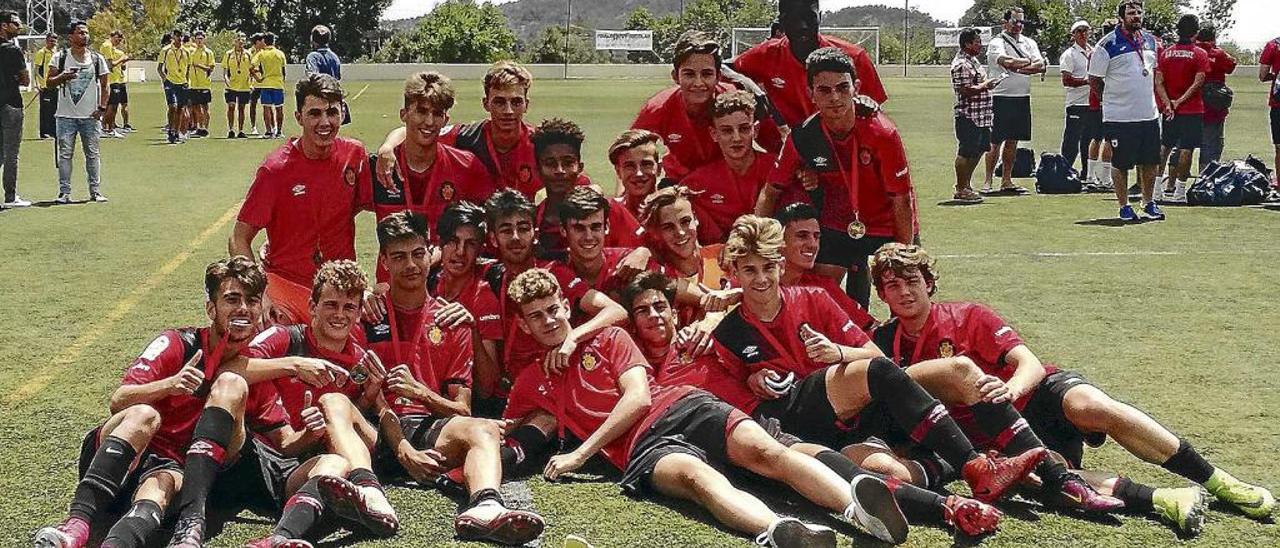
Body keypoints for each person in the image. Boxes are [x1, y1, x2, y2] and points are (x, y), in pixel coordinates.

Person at [867, 242, 1276, 532]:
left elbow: (1027, 362)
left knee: (1089, 406)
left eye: (911, 281)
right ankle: (1164, 498)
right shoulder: (884, 345)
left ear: (928, 283)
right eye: (892, 285)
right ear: (882, 294)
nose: (903, 291)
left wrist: (1009, 391)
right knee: (1039, 480)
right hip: (1001, 438)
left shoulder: (968, 315)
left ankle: (1217, 480)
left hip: (1037, 400)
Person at [502, 267, 914, 546]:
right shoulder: (529, 380)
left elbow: (638, 398)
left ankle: (857, 507)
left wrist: (579, 454)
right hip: (642, 450)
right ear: (522, 324)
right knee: (699, 482)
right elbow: (503, 425)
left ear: (565, 305)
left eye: (554, 309)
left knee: (768, 452)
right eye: (536, 316)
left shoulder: (609, 339)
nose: (550, 321)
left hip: (682, 406)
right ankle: (781, 532)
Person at [620, 270, 1004, 538]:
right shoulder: (640, 371)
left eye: (660, 307)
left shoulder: (705, 338)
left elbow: (738, 316)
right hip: (736, 442)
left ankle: (964, 479)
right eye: (643, 311)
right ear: (633, 325)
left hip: (767, 419)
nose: (654, 316)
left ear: (675, 311)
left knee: (840, 455)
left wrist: (729, 347)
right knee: (837, 466)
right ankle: (947, 505)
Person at [705, 216, 1049, 507]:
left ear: (781, 265)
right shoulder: (728, 331)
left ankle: (978, 468)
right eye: (749, 270)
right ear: (734, 271)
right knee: (881, 379)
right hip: (793, 420)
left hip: (848, 417)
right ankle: (976, 465)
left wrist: (839, 352)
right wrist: (753, 382)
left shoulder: (815, 298)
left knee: (888, 470)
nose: (761, 279)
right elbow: (737, 403)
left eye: (768, 267)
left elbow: (875, 356)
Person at [33, 257, 291, 548]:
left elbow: (281, 440)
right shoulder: (177, 343)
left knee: (162, 487)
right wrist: (171, 384)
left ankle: (121, 541)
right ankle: (75, 525)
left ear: (260, 310)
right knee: (145, 415)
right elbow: (119, 400)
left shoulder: (252, 372)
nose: (243, 308)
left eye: (252, 301)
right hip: (126, 449)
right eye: (232, 299)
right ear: (211, 309)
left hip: (174, 466)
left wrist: (316, 429)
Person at [362, 211, 546, 544]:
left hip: (426, 428)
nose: (412, 265)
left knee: (484, 427)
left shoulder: (451, 321)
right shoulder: (366, 314)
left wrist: (421, 393)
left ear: (429, 251)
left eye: (418, 254)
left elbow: (462, 409)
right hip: (373, 432)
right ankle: (364, 491)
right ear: (384, 262)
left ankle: (486, 506)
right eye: (399, 257)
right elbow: (361, 396)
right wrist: (403, 450)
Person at [230, 260, 401, 546]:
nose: (339, 315)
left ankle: (369, 490)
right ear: (312, 307)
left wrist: (369, 395)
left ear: (359, 313)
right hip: (294, 456)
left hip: (332, 451)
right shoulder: (285, 338)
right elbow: (232, 370)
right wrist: (294, 365)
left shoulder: (360, 358)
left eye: (349, 307)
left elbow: (359, 418)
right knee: (333, 466)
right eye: (331, 305)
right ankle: (281, 539)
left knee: (334, 403)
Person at [755, 47, 918, 308]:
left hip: (888, 224)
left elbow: (901, 199)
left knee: (904, 293)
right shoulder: (804, 136)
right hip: (838, 225)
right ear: (811, 94)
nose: (835, 98)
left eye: (843, 88)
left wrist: (904, 253)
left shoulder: (882, 133)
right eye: (824, 90)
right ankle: (846, 333)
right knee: (819, 293)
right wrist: (755, 239)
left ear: (857, 87)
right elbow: (771, 190)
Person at [229, 73, 371, 325]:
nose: (325, 122)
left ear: (342, 114)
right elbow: (239, 238)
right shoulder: (276, 169)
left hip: (340, 289)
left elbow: (373, 205)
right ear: (298, 117)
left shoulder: (354, 155)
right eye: (315, 114)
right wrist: (258, 293)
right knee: (278, 350)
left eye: (332, 112)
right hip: (286, 286)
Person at [478, 189, 628, 414]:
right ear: (492, 238)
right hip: (509, 393)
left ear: (535, 233)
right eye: (507, 230)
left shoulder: (555, 273)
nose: (516, 237)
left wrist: (572, 339)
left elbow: (615, 311)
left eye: (523, 228)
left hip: (554, 388)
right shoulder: (490, 280)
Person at [375, 61, 566, 199]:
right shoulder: (465, 137)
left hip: (520, 239)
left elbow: (577, 182)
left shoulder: (541, 144)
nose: (508, 111)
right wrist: (388, 147)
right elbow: (421, 130)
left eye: (516, 102)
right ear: (486, 104)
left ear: (526, 105)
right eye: (499, 102)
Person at [729, 0, 887, 153]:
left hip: (840, 160)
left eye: (809, 17)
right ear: (782, 21)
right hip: (783, 157)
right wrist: (754, 91)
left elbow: (876, 118)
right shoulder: (765, 55)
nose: (802, 26)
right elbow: (724, 67)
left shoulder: (853, 58)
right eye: (793, 19)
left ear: (820, 16)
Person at [362, 71, 494, 246]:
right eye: (421, 111)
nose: (429, 121)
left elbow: (490, 220)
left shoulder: (466, 165)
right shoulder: (378, 167)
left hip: (445, 272)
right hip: (393, 273)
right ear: (404, 114)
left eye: (437, 113)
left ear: (446, 119)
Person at [1089, 1, 1165, 222]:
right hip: (1119, 116)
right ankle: (1124, 206)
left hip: (1148, 114)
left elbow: (1154, 73)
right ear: (1122, 17)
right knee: (1121, 163)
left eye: (1139, 12)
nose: (1136, 16)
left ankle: (1148, 202)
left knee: (1151, 160)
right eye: (1131, 13)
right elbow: (1094, 79)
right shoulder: (1106, 44)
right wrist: (1109, 100)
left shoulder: (1151, 41)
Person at [427, 203, 504, 410]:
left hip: (474, 405)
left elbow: (487, 387)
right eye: (453, 241)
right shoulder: (429, 282)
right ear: (440, 244)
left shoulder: (484, 296)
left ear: (479, 249)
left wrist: (473, 331)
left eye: (470, 244)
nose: (460, 252)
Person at [530, 118, 643, 259]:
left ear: (580, 168)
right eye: (550, 163)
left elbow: (646, 249)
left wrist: (642, 253)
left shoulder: (609, 209)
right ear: (537, 170)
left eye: (568, 163)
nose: (560, 170)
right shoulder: (532, 221)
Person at [631, 30, 734, 181]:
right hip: (678, 185)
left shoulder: (733, 102)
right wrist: (624, 202)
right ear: (675, 76)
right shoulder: (659, 107)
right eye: (689, 74)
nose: (698, 83)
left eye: (706, 74)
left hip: (725, 183)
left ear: (718, 76)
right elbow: (628, 151)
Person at [682, 90, 773, 244]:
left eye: (744, 129)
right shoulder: (697, 182)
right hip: (722, 256)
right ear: (714, 134)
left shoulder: (776, 168)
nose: (736, 138)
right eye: (727, 131)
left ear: (755, 130)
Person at [775, 203, 876, 331]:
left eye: (816, 237)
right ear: (778, 240)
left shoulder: (823, 287)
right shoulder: (756, 284)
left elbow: (869, 328)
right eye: (802, 236)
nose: (813, 244)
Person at [48, 21, 110, 204]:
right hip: (66, 116)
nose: (85, 36)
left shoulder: (97, 59)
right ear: (71, 36)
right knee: (65, 154)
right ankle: (64, 192)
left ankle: (95, 191)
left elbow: (106, 85)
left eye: (86, 32)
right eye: (81, 32)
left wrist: (102, 108)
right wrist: (63, 77)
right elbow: (49, 81)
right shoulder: (60, 57)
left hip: (90, 116)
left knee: (92, 153)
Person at [983, 7, 1044, 194]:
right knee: (995, 141)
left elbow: (1040, 64)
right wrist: (1027, 62)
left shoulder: (1029, 42)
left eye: (1021, 22)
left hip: (1021, 96)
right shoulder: (996, 42)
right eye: (1015, 21)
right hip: (1001, 96)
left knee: (1013, 140)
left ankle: (1007, 180)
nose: (1018, 26)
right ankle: (988, 181)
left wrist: (1021, 66)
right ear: (1005, 22)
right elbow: (1005, 62)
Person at [1154, 14, 1208, 204]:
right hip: (1191, 109)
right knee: (1187, 148)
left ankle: (1156, 189)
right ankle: (1179, 191)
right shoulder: (1199, 53)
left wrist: (1168, 103)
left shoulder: (1166, 53)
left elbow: (1158, 81)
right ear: (1196, 31)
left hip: (1170, 110)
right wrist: (1180, 101)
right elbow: (1198, 82)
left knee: (1165, 146)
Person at [950, 27, 996, 204]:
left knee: (980, 148)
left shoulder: (974, 61)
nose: (980, 45)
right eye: (977, 42)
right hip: (968, 115)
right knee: (966, 151)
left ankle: (966, 185)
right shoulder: (961, 64)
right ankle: (961, 188)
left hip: (982, 115)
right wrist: (986, 85)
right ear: (967, 44)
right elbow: (964, 90)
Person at [1195, 25, 1236, 171]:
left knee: (1181, 146)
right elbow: (1231, 65)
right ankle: (1204, 179)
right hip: (1212, 106)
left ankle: (1172, 183)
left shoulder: (1190, 50)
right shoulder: (1217, 53)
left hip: (1188, 104)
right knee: (1211, 144)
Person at [0, 11, 30, 209]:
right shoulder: (12, 50)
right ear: (4, 25)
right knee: (11, 152)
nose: (19, 27)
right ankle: (10, 196)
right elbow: (25, 79)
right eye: (15, 24)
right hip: (10, 104)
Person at [1060, 20, 1093, 178]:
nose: (1083, 34)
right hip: (1076, 103)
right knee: (1072, 141)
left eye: (1086, 30)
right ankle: (1063, 171)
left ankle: (1087, 173)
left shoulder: (1093, 52)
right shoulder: (1069, 54)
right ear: (1073, 34)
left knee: (1088, 140)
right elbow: (1067, 80)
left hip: (1091, 103)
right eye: (1079, 31)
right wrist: (1087, 81)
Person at [606, 129, 663, 220]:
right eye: (629, 166)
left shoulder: (674, 212)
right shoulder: (608, 214)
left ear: (659, 168)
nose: (639, 173)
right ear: (618, 171)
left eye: (646, 164)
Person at [253, 32, 287, 139]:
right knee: (279, 108)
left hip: (266, 83)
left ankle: (268, 131)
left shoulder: (261, 53)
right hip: (278, 83)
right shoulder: (280, 53)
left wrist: (258, 78)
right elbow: (283, 70)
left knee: (266, 108)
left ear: (264, 41)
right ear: (274, 41)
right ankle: (279, 131)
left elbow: (251, 67)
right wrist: (282, 81)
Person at [158, 28, 189, 144]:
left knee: (181, 108)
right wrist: (165, 79)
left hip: (182, 82)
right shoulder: (165, 50)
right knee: (173, 107)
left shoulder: (186, 51)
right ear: (173, 37)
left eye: (180, 36)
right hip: (170, 82)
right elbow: (159, 68)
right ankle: (170, 130)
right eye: (177, 36)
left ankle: (176, 132)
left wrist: (186, 79)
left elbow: (188, 67)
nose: (179, 38)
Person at [99, 30, 131, 138]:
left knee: (114, 106)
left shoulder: (111, 47)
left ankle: (110, 128)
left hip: (116, 79)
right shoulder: (107, 46)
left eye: (120, 40)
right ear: (112, 36)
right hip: (111, 80)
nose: (118, 42)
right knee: (111, 107)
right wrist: (122, 59)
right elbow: (110, 65)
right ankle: (105, 128)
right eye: (117, 39)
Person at [223, 32, 253, 138]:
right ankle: (231, 129)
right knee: (231, 106)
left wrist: (251, 83)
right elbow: (225, 70)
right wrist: (226, 80)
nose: (240, 43)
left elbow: (251, 70)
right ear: (234, 41)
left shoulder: (248, 54)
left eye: (242, 41)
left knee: (241, 108)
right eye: (238, 40)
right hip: (231, 85)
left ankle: (241, 130)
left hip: (244, 86)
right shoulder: (228, 54)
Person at [185, 30, 214, 138]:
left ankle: (205, 127)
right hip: (193, 84)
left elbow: (211, 68)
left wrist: (199, 66)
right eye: (197, 39)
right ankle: (198, 127)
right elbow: (188, 67)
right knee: (195, 107)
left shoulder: (208, 52)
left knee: (205, 107)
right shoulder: (191, 52)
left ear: (204, 39)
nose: (199, 41)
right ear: (195, 40)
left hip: (204, 84)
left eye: (201, 39)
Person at [1260, 32, 1280, 181]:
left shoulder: (1273, 45)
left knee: (1279, 147)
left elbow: (1262, 75)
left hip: (1278, 103)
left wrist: (1274, 76)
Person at [33, 32, 57, 139]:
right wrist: (38, 84)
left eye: (55, 41)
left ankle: (53, 131)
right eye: (51, 40)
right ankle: (44, 132)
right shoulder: (41, 53)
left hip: (55, 85)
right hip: (45, 87)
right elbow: (36, 70)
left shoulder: (56, 52)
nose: (53, 43)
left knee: (54, 109)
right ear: (46, 41)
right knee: (45, 110)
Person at [247, 33, 265, 135]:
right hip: (253, 83)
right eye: (262, 41)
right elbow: (248, 68)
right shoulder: (249, 53)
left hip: (264, 83)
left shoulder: (265, 52)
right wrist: (257, 76)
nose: (264, 43)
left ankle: (270, 127)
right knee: (253, 104)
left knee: (267, 105)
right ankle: (253, 127)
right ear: (257, 42)